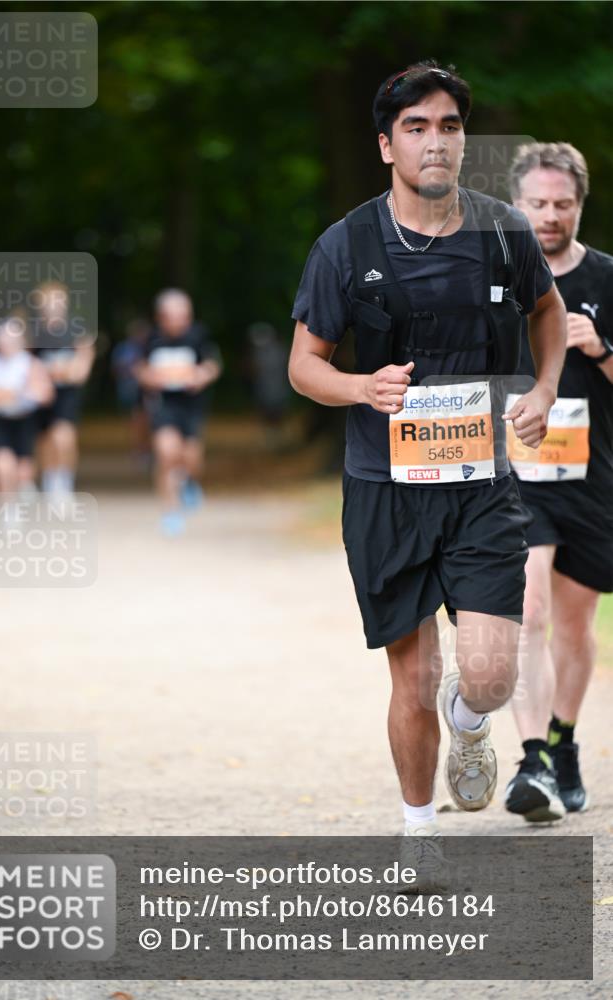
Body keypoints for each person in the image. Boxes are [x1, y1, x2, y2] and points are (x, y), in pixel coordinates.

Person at [288, 61, 566, 864]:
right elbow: (304, 366)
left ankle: (472, 726)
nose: (434, 141)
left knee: (487, 677)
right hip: (385, 491)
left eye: (448, 126)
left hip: (481, 485)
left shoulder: (502, 231)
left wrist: (544, 388)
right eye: (415, 127)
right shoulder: (344, 246)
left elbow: (544, 312)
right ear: (385, 145)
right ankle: (418, 830)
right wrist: (357, 385)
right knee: (409, 679)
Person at [504, 143, 613, 822]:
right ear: (515, 205)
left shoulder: (605, 276)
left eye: (561, 205)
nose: (548, 216)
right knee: (529, 609)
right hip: (516, 474)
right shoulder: (492, 275)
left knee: (574, 626)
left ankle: (563, 745)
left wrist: (599, 348)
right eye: (536, 205)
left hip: (592, 473)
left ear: (579, 204)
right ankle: (530, 758)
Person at [134, 289, 222, 536]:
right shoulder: (151, 338)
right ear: (161, 317)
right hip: (163, 405)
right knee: (166, 453)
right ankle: (170, 511)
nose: (179, 321)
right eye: (173, 316)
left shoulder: (198, 336)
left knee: (190, 458)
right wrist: (150, 377)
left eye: (184, 316)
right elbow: (139, 369)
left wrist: (201, 376)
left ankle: (189, 482)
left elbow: (212, 365)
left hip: (191, 406)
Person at [0, 320, 54, 494]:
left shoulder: (30, 363)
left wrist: (14, 394)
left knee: (23, 470)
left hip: (24, 420)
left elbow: (46, 394)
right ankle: (8, 509)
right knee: (1, 465)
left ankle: (24, 486)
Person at [32, 281, 96, 498]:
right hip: (41, 396)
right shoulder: (33, 333)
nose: (52, 308)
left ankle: (65, 481)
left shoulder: (78, 331)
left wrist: (59, 372)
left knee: (64, 437)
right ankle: (49, 481)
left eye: (56, 303)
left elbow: (81, 371)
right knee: (45, 439)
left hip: (67, 395)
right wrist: (54, 372)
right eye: (47, 304)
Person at [111, 318, 152, 463]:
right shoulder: (124, 348)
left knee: (146, 420)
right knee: (136, 421)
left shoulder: (149, 347)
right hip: (130, 390)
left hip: (146, 392)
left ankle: (145, 449)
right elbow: (117, 368)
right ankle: (139, 449)